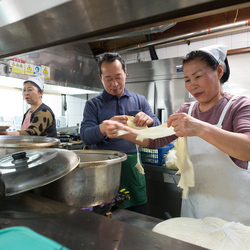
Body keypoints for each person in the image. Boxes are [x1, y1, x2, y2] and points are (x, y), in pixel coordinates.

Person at [102, 45, 250, 225]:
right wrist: (123, 131)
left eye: (198, 76)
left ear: (219, 71)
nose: (192, 84)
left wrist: (200, 128)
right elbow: (155, 139)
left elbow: (247, 149)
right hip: (196, 210)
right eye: (187, 79)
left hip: (233, 215)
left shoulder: (239, 105)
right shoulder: (187, 109)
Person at [80, 52, 161, 215]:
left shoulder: (139, 100)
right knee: (106, 218)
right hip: (105, 171)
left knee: (139, 217)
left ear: (125, 72)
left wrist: (149, 120)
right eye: (108, 78)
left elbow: (158, 127)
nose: (114, 83)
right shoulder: (93, 105)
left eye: (118, 76)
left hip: (133, 170)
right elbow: (85, 136)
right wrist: (104, 128)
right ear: (100, 77)